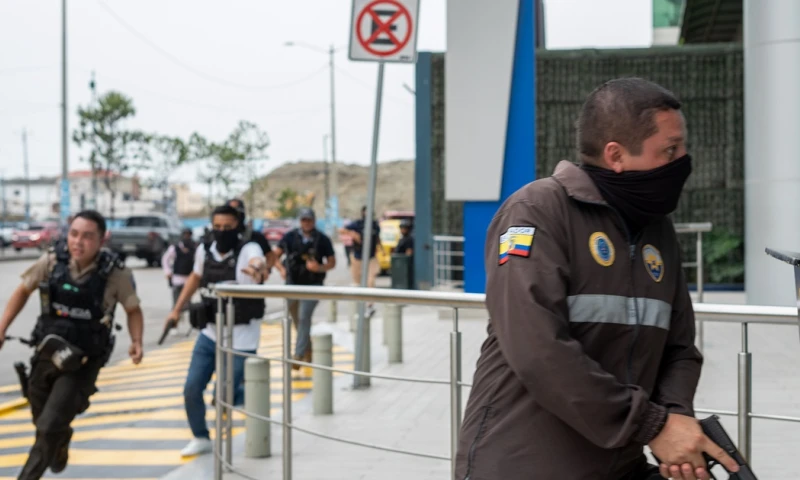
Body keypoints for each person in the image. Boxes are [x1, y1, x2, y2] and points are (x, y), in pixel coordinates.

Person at [454, 78, 740, 480]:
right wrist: (653, 426)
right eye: (670, 150)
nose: (683, 161)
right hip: (522, 466)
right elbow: (538, 349)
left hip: (617, 466)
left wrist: (675, 420)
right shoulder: (536, 212)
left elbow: (679, 348)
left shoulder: (657, 231)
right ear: (616, 155)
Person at [0, 210, 144, 480]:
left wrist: (136, 342)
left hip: (82, 363)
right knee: (42, 418)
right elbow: (22, 290)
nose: (78, 242)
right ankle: (62, 438)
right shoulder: (52, 261)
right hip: (47, 354)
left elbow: (133, 310)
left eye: (88, 237)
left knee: (48, 424)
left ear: (102, 240)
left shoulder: (116, 274)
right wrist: (2, 328)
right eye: (74, 234)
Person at [164, 204, 268, 457]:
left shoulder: (248, 249)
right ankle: (201, 436)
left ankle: (237, 395)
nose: (221, 232)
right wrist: (177, 310)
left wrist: (257, 270)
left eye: (228, 228)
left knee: (226, 392)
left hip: (241, 337)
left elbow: (259, 262)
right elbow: (194, 278)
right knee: (191, 388)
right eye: (217, 227)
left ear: (238, 228)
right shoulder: (204, 249)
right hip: (210, 333)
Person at [273, 208, 336, 369]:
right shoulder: (290, 237)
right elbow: (274, 256)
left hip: (313, 285)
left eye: (309, 220)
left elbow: (332, 262)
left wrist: (319, 268)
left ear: (314, 221)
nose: (306, 223)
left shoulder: (322, 239)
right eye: (303, 220)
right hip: (292, 284)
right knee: (296, 319)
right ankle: (307, 348)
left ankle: (298, 354)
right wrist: (281, 269)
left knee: (303, 317)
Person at [162, 228, 197, 310]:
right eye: (185, 235)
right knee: (176, 302)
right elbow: (165, 259)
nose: (186, 237)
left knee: (187, 303)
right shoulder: (175, 248)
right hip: (177, 278)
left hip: (189, 278)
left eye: (188, 235)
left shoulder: (194, 248)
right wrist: (167, 272)